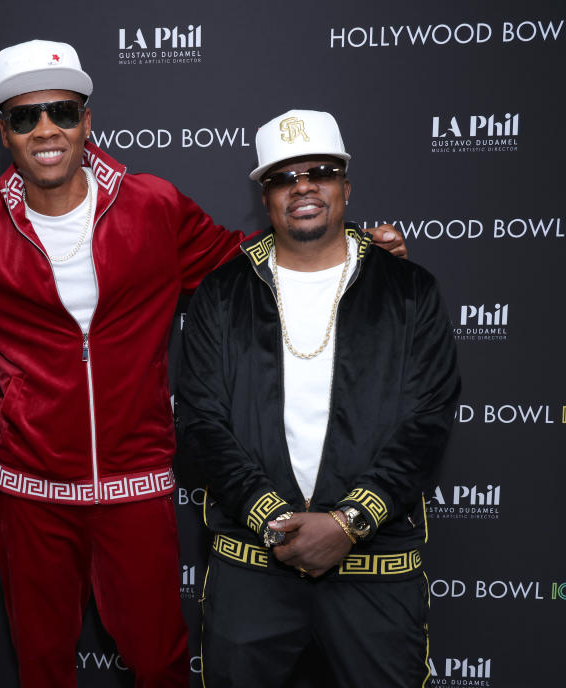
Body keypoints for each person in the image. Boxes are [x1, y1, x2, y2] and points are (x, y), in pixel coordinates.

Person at [0, 41, 407, 687]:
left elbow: (244, 260)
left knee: (160, 665)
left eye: (61, 110)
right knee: (42, 669)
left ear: (88, 119)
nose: (46, 128)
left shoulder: (154, 204)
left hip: (137, 486)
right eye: (25, 116)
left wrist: (350, 249)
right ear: (5, 132)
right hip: (31, 493)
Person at [177, 109, 460, 687]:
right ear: (264, 196)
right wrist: (272, 517)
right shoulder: (221, 294)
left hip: (375, 568)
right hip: (252, 564)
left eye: (321, 171)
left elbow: (426, 420)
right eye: (284, 176)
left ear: (346, 186)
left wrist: (351, 520)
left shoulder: (408, 291)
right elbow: (202, 422)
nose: (303, 186)